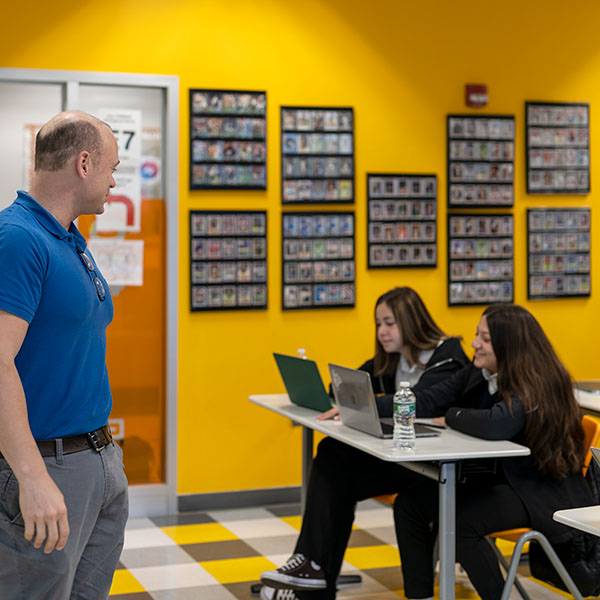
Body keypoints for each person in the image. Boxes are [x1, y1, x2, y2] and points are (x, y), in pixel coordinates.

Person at [260, 287, 469, 600]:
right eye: (378, 324)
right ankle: (311, 574)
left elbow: (423, 401)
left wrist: (361, 403)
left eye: (389, 323)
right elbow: (349, 383)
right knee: (333, 463)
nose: (382, 332)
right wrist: (338, 393)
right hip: (404, 458)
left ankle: (310, 571)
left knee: (334, 470)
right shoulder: (394, 359)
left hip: (435, 465)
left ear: (411, 321)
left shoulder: (447, 358)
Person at [0, 111, 128, 598]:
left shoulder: (71, 239)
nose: (113, 182)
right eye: (111, 168)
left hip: (97, 459)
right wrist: (32, 477)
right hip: (46, 467)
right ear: (84, 163)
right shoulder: (18, 239)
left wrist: (108, 461)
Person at [394, 304, 595, 600]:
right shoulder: (482, 373)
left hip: (540, 490)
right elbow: (432, 399)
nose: (475, 343)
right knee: (410, 504)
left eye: (485, 338)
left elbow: (495, 424)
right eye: (477, 335)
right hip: (504, 480)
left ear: (509, 345)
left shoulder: (538, 381)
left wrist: (450, 416)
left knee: (460, 523)